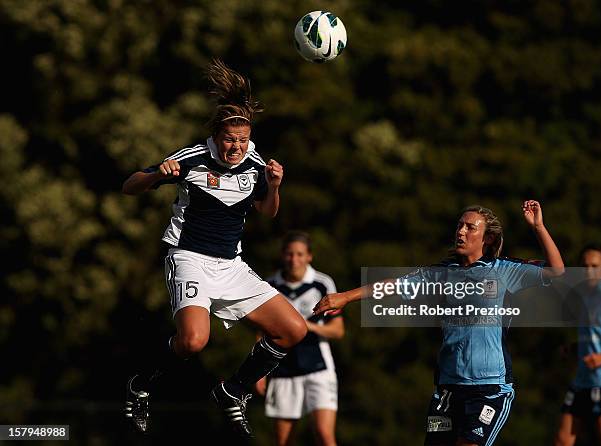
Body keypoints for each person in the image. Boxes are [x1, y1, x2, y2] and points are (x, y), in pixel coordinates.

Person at [121, 58, 307, 439]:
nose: (237, 147)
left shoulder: (255, 164)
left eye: (243, 140)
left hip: (231, 266)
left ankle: (233, 391)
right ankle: (139, 385)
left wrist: (274, 188)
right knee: (193, 341)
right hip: (189, 259)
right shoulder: (192, 158)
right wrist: (158, 173)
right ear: (216, 136)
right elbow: (130, 186)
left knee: (293, 329)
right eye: (230, 140)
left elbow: (268, 213)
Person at [314, 201, 565, 446]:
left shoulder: (503, 270)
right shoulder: (441, 273)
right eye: (459, 226)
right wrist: (346, 296)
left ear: (487, 239)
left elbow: (557, 271)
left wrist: (538, 227)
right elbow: (393, 285)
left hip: (489, 388)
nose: (461, 232)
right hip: (448, 389)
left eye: (470, 228)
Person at [255, 231, 344, 446]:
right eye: (289, 254)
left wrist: (306, 327)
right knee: (284, 441)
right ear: (282, 255)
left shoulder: (322, 284)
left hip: (319, 368)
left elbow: (338, 331)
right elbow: (261, 332)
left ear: (309, 256)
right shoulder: (269, 286)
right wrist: (258, 371)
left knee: (324, 435)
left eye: (299, 254)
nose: (294, 260)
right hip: (282, 371)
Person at [555, 244, 601, 446]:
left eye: (594, 266)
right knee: (563, 440)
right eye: (584, 266)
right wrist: (574, 348)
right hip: (582, 379)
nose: (588, 271)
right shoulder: (586, 295)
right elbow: (595, 338)